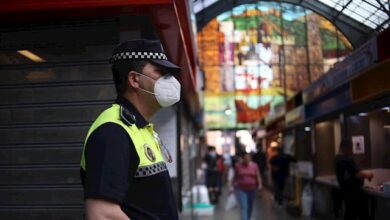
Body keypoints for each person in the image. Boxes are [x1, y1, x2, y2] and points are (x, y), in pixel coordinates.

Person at [80, 39, 181, 220]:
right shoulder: (113, 131)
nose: (170, 80)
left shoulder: (140, 129)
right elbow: (102, 214)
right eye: (160, 72)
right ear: (134, 79)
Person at [334, 140, 373, 220]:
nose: (351, 150)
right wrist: (369, 175)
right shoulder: (347, 160)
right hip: (354, 193)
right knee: (361, 215)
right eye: (350, 148)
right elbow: (358, 174)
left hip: (345, 191)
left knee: (349, 214)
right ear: (345, 147)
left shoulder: (336, 159)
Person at [231, 152, 262, 220]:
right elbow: (235, 176)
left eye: (249, 158)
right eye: (245, 158)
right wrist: (232, 185)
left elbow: (258, 175)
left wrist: (260, 184)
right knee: (244, 206)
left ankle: (248, 217)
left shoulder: (254, 165)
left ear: (250, 158)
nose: (247, 160)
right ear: (243, 159)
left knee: (250, 206)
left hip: (252, 189)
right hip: (241, 189)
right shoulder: (238, 166)